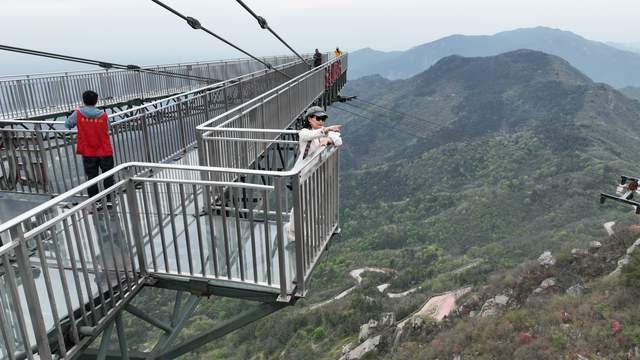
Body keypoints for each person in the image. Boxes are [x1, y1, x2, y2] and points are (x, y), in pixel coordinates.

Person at [65, 90, 114, 205]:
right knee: (108, 176)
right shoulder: (104, 115)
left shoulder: (77, 114)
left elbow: (67, 124)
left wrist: (76, 112)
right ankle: (110, 200)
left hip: (88, 152)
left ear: (83, 100)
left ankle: (95, 201)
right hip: (105, 150)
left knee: (92, 178)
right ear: (96, 101)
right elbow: (109, 128)